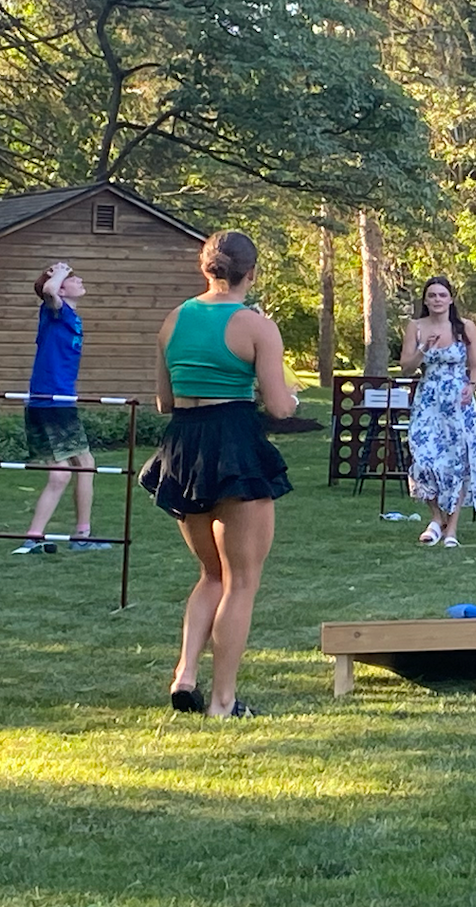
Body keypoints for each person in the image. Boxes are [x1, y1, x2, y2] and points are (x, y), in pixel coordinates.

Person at [139, 231, 297, 718]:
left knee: (211, 572)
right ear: (252, 272)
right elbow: (278, 406)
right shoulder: (256, 326)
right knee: (242, 579)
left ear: (204, 268)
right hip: (234, 442)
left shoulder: (174, 320)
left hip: (184, 445)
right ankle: (223, 701)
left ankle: (185, 674)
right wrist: (291, 399)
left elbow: (165, 402)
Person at [13, 261, 108, 555]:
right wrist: (59, 272)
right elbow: (49, 290)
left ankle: (55, 535)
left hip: (58, 401)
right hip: (52, 401)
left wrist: (62, 275)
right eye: (73, 278)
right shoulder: (54, 309)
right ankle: (63, 535)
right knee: (74, 468)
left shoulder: (68, 316)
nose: (79, 280)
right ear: (62, 287)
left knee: (72, 469)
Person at [399, 276, 476, 547]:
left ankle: (452, 529)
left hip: (457, 400)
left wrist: (471, 387)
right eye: (432, 295)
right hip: (429, 399)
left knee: (458, 461)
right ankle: (437, 517)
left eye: (442, 295)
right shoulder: (416, 326)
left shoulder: (464, 327)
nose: (437, 300)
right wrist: (424, 348)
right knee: (424, 458)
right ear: (425, 300)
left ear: (450, 299)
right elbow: (406, 367)